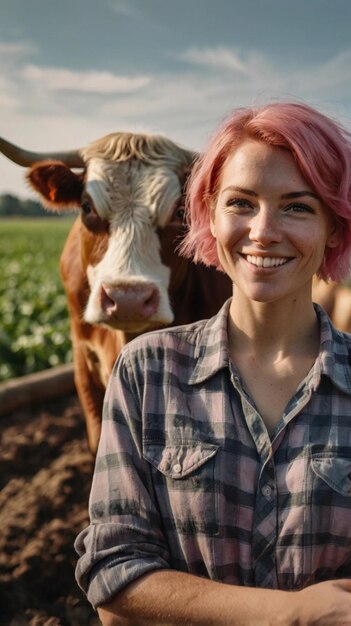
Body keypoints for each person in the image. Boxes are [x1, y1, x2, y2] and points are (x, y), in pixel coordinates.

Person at [75, 101, 351, 625]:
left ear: (334, 229)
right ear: (207, 215)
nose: (264, 231)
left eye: (298, 206)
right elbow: (114, 576)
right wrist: (294, 613)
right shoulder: (145, 372)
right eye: (241, 203)